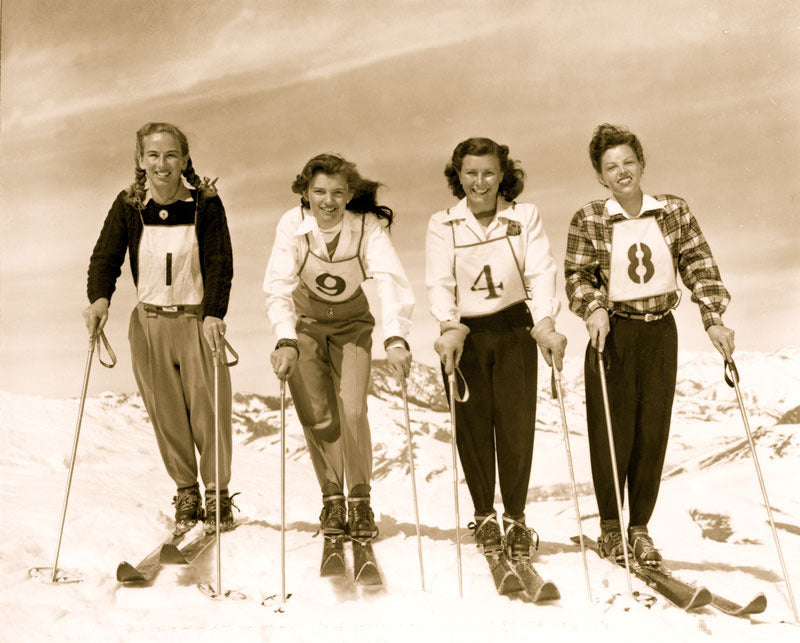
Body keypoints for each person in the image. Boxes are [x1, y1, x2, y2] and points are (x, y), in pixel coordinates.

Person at [565, 123, 736, 566]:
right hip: (614, 332)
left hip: (660, 330)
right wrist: (593, 308)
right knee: (611, 433)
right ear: (601, 176)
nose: (622, 172)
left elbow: (699, 263)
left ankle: (638, 528)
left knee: (650, 433)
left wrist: (713, 318)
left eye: (628, 162)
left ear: (641, 164)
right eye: (611, 167)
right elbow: (577, 275)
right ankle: (609, 528)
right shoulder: (589, 217)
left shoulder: (673, 211)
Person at [84, 122, 235, 535]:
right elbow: (105, 257)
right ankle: (187, 491)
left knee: (209, 410)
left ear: (185, 160)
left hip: (196, 320)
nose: (162, 163)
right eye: (153, 155)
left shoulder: (205, 203)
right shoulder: (129, 205)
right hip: (148, 322)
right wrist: (99, 299)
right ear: (140, 160)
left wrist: (215, 313)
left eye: (171, 155)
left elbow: (221, 262)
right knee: (166, 413)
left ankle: (217, 494)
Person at [425, 137, 566, 561]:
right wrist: (449, 325)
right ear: (458, 175)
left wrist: (545, 322)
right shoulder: (443, 223)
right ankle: (485, 516)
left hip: (514, 328)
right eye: (471, 173)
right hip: (466, 334)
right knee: (473, 429)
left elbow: (540, 270)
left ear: (503, 174)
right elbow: (440, 280)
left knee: (515, 429)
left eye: (488, 172)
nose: (480, 182)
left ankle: (517, 520)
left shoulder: (523, 217)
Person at [264, 153, 413, 542]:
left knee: (352, 407)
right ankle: (333, 498)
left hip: (352, 325)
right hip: (307, 324)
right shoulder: (292, 223)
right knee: (317, 414)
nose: (327, 201)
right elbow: (278, 284)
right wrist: (285, 338)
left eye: (337, 192)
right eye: (318, 191)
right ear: (305, 193)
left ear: (349, 195)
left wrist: (395, 337)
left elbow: (390, 280)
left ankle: (360, 499)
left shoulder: (367, 226)